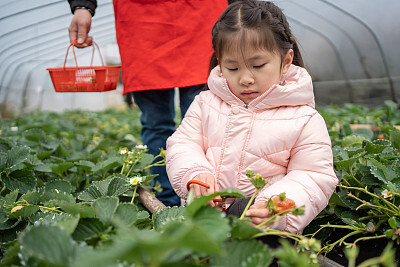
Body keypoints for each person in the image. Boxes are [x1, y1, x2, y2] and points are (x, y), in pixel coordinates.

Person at [165, 0, 338, 233]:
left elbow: (313, 176)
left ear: (286, 61)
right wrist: (196, 175)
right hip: (204, 223)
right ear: (219, 62)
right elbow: (183, 145)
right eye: (233, 68)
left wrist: (277, 206)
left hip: (264, 229)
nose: (245, 79)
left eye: (258, 65)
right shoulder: (205, 103)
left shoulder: (305, 119)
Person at [67, 0, 228, 206]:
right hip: (142, 20)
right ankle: (167, 203)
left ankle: (206, 201)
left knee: (204, 124)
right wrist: (83, 5)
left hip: (200, 16)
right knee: (157, 124)